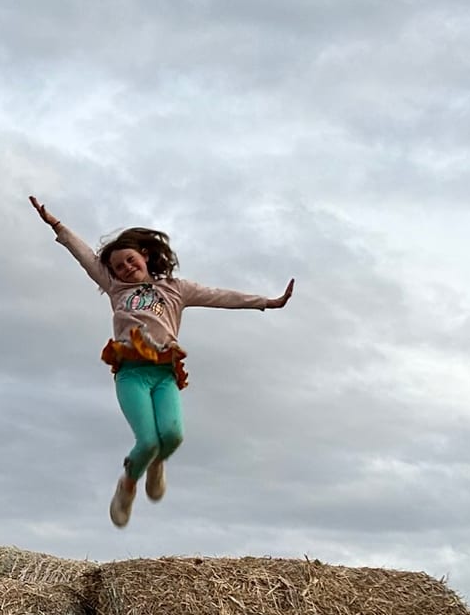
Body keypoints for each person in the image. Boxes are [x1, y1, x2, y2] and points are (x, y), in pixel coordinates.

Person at [29, 195, 294, 528]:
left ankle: (156, 464)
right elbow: (83, 255)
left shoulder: (176, 289)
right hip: (131, 373)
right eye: (118, 266)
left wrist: (267, 302)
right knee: (148, 440)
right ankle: (126, 486)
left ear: (145, 255)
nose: (125, 268)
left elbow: (221, 296)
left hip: (164, 373)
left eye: (130, 260)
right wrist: (57, 225)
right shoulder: (115, 289)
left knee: (173, 435)